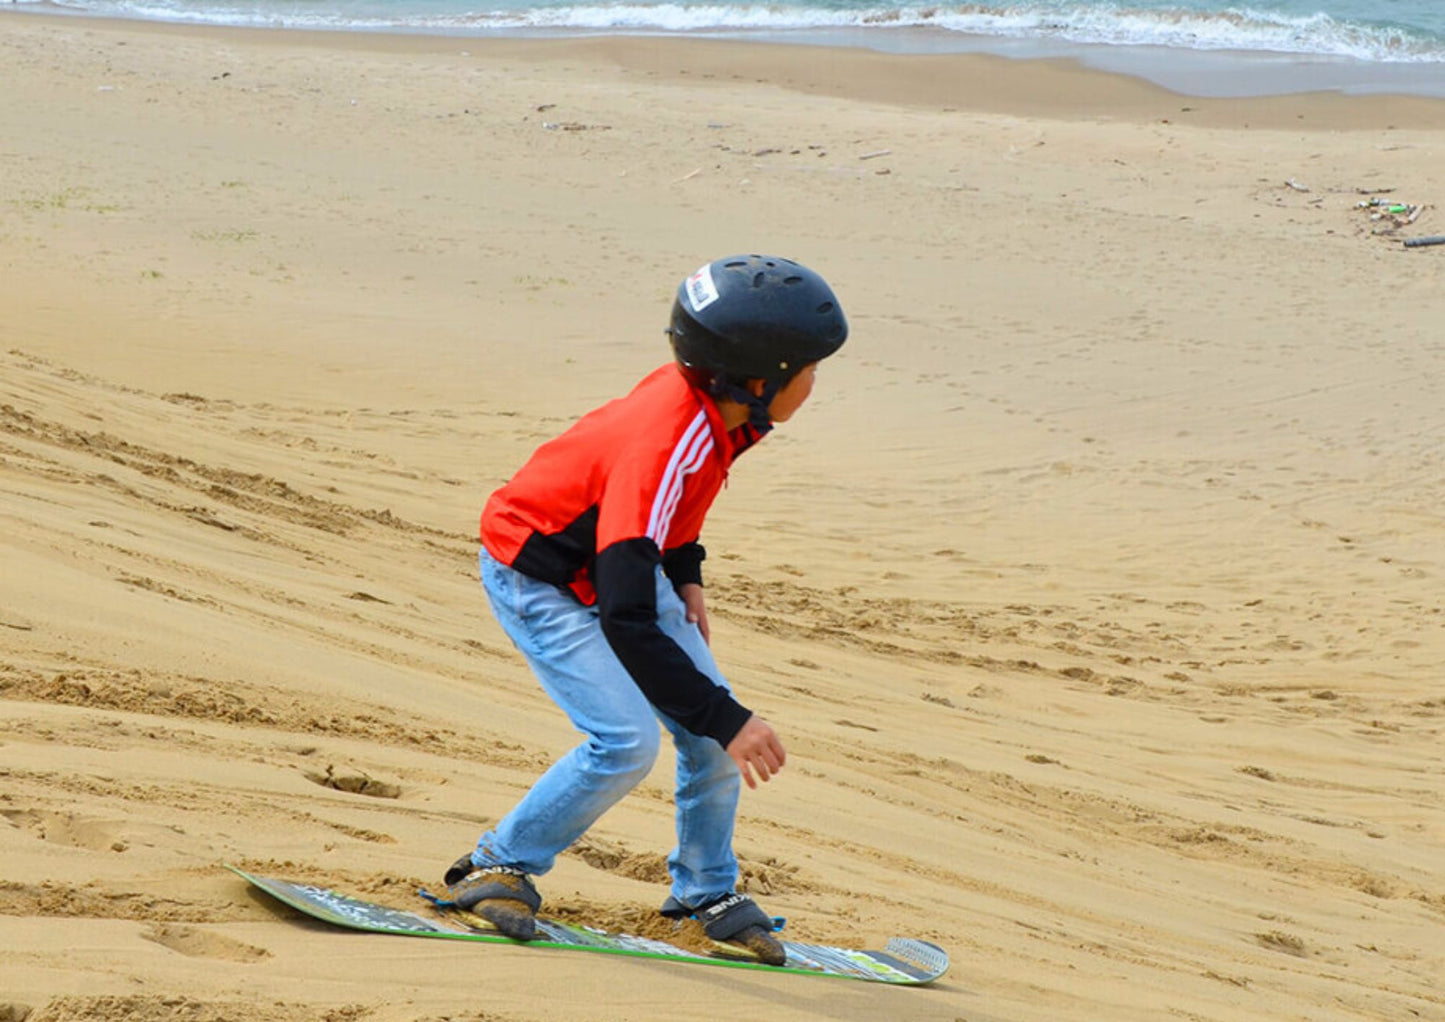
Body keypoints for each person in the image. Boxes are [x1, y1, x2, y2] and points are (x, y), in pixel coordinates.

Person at [441, 254, 848, 965]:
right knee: (627, 742)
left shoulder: (718, 410)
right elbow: (625, 617)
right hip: (538, 574)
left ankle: (703, 893)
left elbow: (673, 511)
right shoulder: (667, 436)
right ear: (762, 380)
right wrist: (727, 719)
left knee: (714, 738)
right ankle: (495, 867)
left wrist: (685, 571)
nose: (816, 382)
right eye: (809, 368)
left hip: (618, 564)